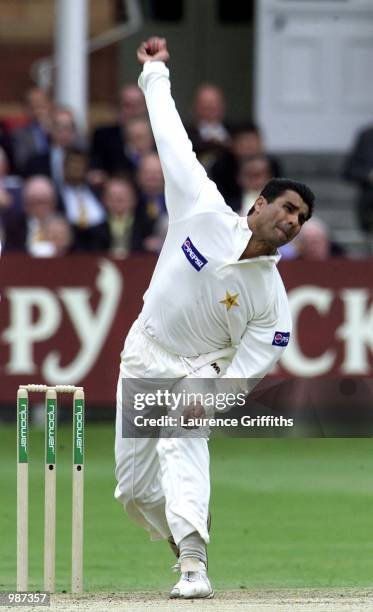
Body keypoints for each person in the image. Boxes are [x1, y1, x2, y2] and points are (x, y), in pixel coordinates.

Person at [114, 37, 314, 600]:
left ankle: (194, 566)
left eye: (302, 218)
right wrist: (155, 72)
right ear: (258, 204)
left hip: (200, 369)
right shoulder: (199, 207)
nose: (294, 221)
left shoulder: (272, 303)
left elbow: (247, 369)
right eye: (288, 208)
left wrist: (213, 396)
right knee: (132, 492)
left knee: (181, 434)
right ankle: (184, 544)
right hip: (144, 351)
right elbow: (171, 138)